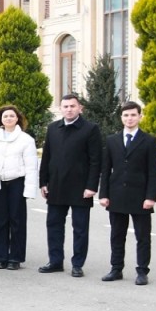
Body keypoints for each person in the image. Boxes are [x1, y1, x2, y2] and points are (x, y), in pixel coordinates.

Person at [38, 94, 102, 277]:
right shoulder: (52, 128)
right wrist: (43, 182)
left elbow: (96, 160)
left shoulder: (90, 129)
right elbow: (46, 157)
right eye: (65, 106)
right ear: (60, 108)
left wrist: (92, 186)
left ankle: (77, 264)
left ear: (80, 108)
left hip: (81, 188)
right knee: (54, 225)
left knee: (80, 228)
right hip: (56, 186)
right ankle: (55, 261)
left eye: (72, 106)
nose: (69, 109)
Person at [98, 101, 156, 285]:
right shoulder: (112, 140)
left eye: (133, 115)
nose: (129, 118)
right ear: (121, 118)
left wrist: (151, 197)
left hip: (140, 197)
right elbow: (106, 168)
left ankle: (142, 271)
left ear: (140, 116)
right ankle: (116, 269)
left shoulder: (149, 141)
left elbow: (153, 171)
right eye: (126, 115)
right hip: (116, 195)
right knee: (117, 235)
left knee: (142, 236)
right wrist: (103, 194)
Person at [0, 104, 38, 270]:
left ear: (17, 119)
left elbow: (31, 166)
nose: (8, 118)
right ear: (0, 120)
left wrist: (29, 189)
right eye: (5, 116)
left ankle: (15, 257)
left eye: (11, 116)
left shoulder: (26, 140)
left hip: (17, 182)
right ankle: (1, 256)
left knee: (17, 220)